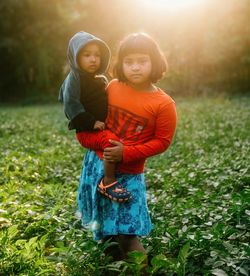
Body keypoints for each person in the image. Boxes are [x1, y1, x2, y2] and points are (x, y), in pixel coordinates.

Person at [76, 32, 177, 263]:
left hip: (129, 174)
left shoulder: (163, 104)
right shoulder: (112, 87)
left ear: (155, 62)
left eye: (142, 61)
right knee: (103, 230)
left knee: (127, 233)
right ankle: (113, 266)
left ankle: (141, 270)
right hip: (97, 167)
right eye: (129, 62)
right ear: (120, 64)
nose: (135, 67)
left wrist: (126, 153)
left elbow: (162, 142)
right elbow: (91, 119)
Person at [59, 31, 131, 203]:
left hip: (101, 126)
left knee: (122, 139)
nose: (93, 59)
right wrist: (91, 122)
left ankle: (122, 172)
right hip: (86, 131)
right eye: (87, 55)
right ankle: (108, 182)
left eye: (97, 55)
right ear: (76, 57)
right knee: (110, 142)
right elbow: (71, 103)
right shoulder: (75, 78)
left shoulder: (99, 79)